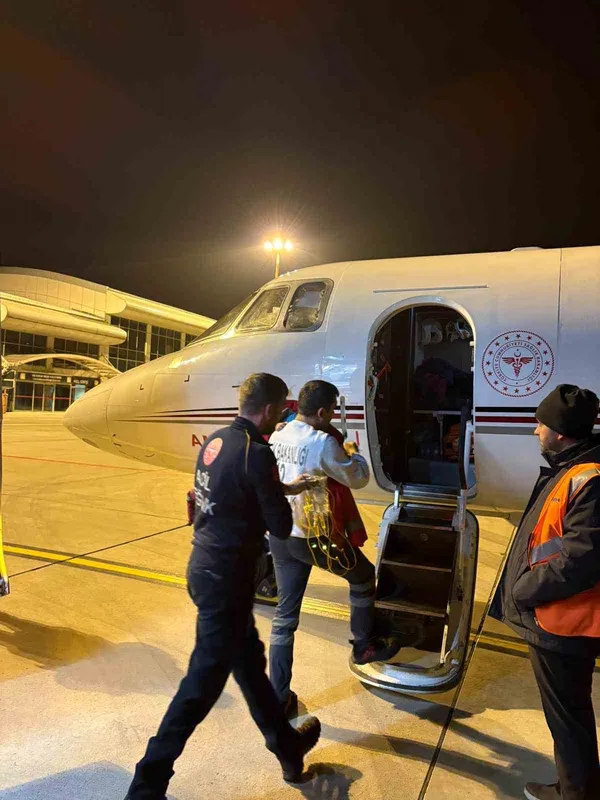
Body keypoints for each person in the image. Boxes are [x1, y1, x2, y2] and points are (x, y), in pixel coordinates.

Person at [124, 373, 321, 800]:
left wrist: (282, 486)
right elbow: (280, 526)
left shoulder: (216, 441)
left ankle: (287, 747)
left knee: (250, 667)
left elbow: (228, 490)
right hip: (228, 581)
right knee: (198, 690)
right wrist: (285, 496)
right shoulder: (258, 452)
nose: (282, 416)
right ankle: (145, 788)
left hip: (204, 567)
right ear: (268, 409)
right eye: (281, 409)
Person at [490, 384, 600, 800]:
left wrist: (523, 591)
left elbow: (580, 558)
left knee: (567, 717)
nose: (535, 430)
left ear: (561, 432)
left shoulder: (588, 479)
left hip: (562, 621)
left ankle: (576, 794)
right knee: (570, 714)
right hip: (559, 615)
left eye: (541, 424)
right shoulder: (572, 468)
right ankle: (578, 786)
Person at [268, 379, 401, 717]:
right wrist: (353, 451)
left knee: (284, 618)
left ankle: (278, 696)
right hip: (314, 536)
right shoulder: (323, 442)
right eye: (330, 411)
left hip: (281, 533)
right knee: (363, 576)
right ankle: (363, 645)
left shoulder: (279, 433)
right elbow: (357, 478)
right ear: (323, 412)